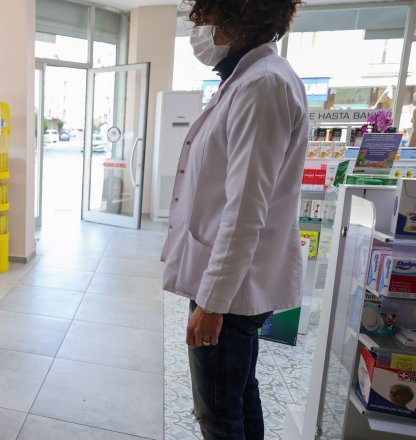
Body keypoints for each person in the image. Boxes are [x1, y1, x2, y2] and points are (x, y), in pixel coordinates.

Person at [161, 1, 306, 439]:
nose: (200, 30)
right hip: (228, 285)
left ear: (240, 21)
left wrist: (212, 303)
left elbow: (246, 209)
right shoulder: (248, 80)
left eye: (207, 19)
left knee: (218, 414)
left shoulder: (263, 86)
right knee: (239, 395)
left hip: (228, 291)